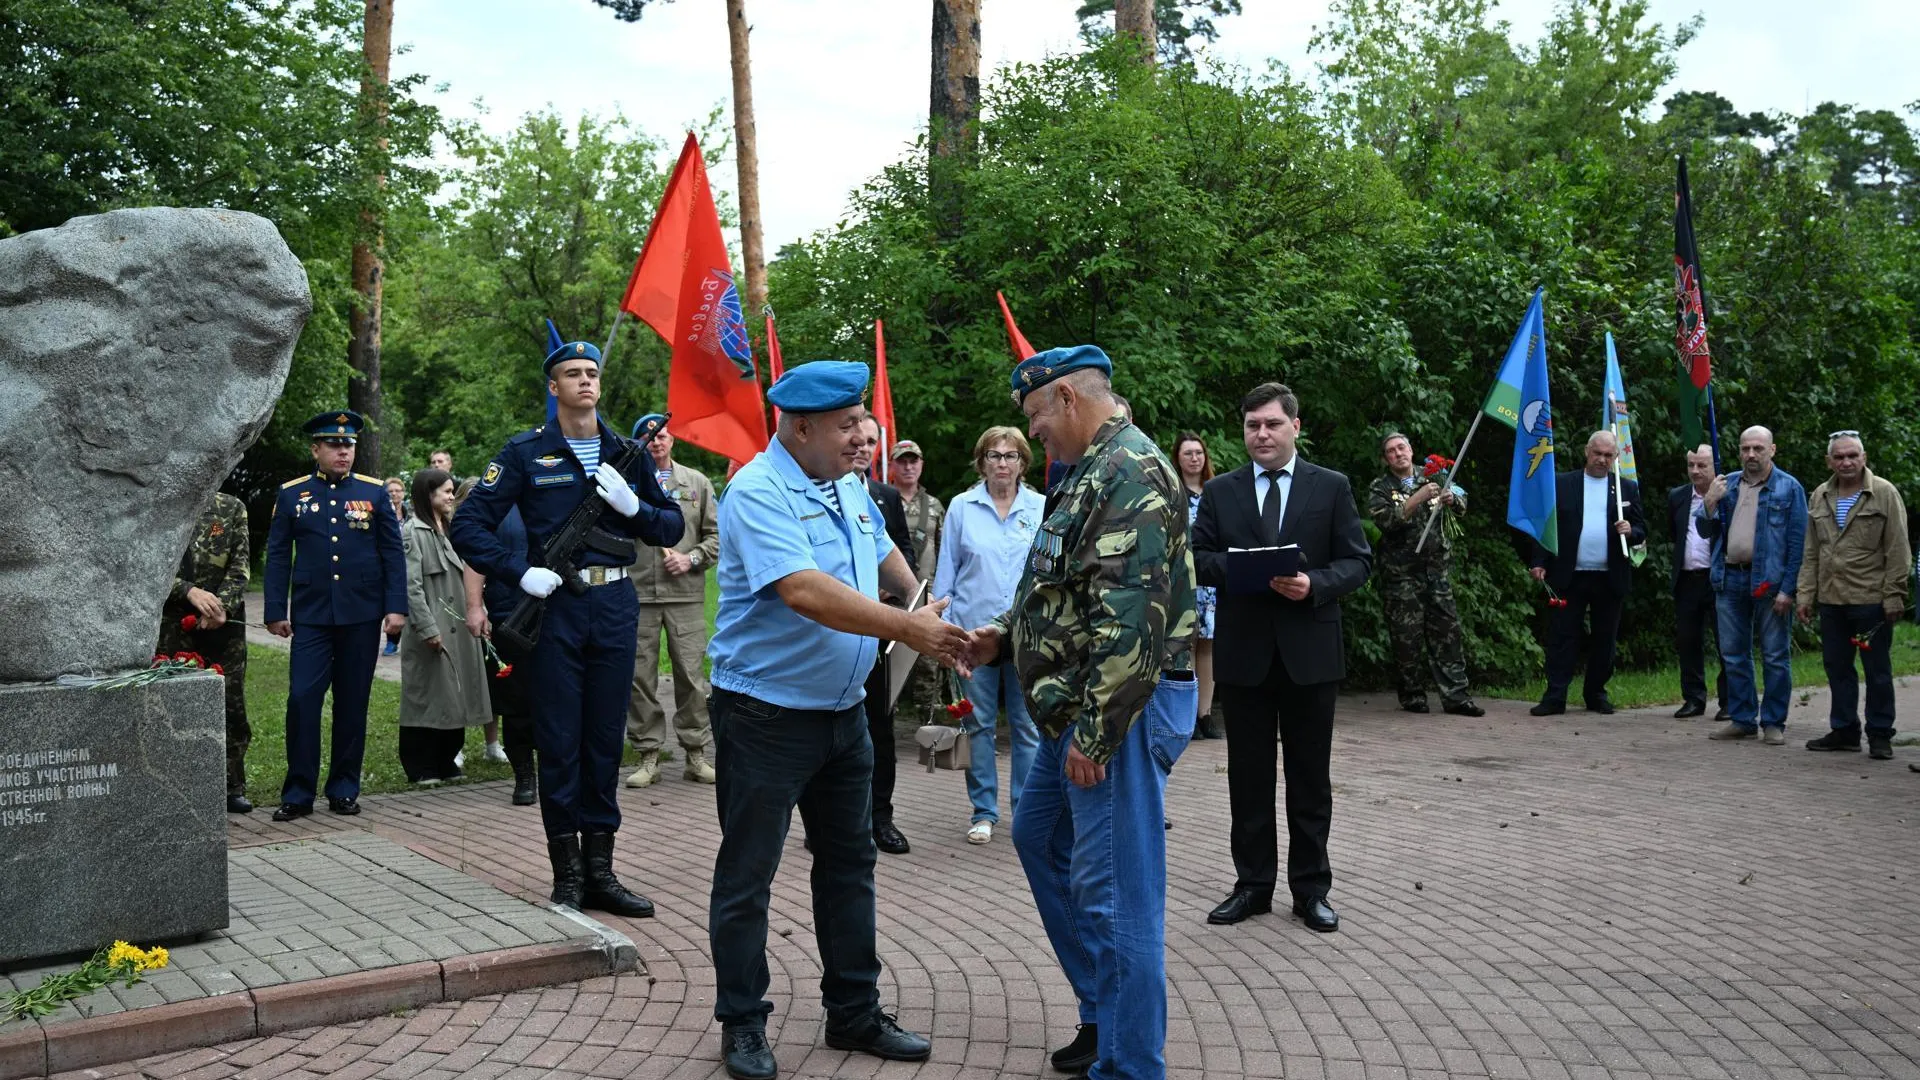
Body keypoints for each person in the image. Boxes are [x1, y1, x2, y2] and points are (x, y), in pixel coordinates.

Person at [704, 360, 966, 1080]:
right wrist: (905, 630)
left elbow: (877, 550)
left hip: (842, 715)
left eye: (863, 421)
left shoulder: (845, 484)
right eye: (849, 425)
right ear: (800, 426)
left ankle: (853, 1012)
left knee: (850, 866)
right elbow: (805, 591)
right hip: (766, 716)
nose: (865, 436)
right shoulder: (758, 491)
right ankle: (743, 1022)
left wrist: (917, 600)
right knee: (748, 873)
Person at [961, 346, 1198, 1080]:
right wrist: (1003, 634)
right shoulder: (1090, 469)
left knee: (1117, 893)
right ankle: (1105, 1008)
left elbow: (1133, 621)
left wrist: (1095, 733)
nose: (1033, 437)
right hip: (1083, 709)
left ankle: (1131, 1064)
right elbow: (1057, 583)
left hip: (1116, 714)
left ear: (1066, 397)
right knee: (1037, 837)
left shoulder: (1128, 471)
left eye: (1035, 420)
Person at [449, 340, 684, 919]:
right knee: (559, 740)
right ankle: (568, 874)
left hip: (614, 604)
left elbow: (672, 527)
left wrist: (635, 509)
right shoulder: (526, 453)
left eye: (591, 372)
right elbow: (469, 523)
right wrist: (517, 571)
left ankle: (602, 871)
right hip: (555, 609)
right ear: (553, 387)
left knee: (605, 738)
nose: (585, 381)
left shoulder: (626, 452)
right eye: (572, 374)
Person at [1193, 382, 1371, 935]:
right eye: (1252, 425)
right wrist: (1243, 569)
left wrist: (1313, 583)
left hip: (1310, 654)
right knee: (1247, 778)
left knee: (1309, 779)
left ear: (1295, 425)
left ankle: (1311, 890)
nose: (1261, 434)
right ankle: (1252, 886)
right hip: (1245, 654)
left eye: (1271, 424)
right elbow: (1196, 558)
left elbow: (1358, 562)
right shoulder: (1221, 492)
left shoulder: (1332, 487)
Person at [263, 410, 408, 821]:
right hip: (311, 617)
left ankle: (344, 787)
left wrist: (396, 607)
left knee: (352, 704)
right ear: (316, 449)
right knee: (302, 701)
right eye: (334, 444)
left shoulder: (374, 493)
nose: (343, 451)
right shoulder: (292, 494)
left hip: (361, 615)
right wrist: (275, 609)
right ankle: (298, 792)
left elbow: (392, 555)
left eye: (349, 445)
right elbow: (277, 557)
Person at [933, 426, 1045, 845]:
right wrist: (941, 631)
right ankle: (983, 812)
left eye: (1011, 455)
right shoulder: (962, 506)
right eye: (994, 455)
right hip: (971, 634)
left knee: (1029, 726)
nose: (1002, 463)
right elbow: (947, 572)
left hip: (1027, 633)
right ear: (981, 462)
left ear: (1023, 462)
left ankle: (1027, 813)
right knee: (976, 726)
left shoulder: (1041, 507)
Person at [1797, 432, 1910, 759]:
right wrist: (1805, 595)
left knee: (1877, 670)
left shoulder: (1884, 493)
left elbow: (1898, 548)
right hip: (1832, 601)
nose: (1846, 462)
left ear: (1864, 457)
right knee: (1837, 668)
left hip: (1870, 600)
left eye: (1852, 456)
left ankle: (1879, 734)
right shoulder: (1820, 495)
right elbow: (1811, 552)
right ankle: (1844, 730)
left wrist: (1894, 595)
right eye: (1839, 457)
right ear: (1829, 461)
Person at [624, 423, 721, 788]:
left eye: (662, 435)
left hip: (684, 596)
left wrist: (691, 559)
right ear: (640, 443)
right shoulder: (628, 484)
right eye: (648, 437)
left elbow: (714, 538)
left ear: (672, 440)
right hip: (639, 595)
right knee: (640, 679)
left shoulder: (696, 483)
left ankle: (696, 755)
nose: (656, 441)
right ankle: (648, 755)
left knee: (692, 678)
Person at [1698, 425, 1807, 745]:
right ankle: (1743, 719)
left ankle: (1774, 722)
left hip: (1770, 584)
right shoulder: (1725, 484)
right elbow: (1704, 531)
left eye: (1758, 448)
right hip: (1729, 578)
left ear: (1772, 450)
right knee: (1733, 654)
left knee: (1774, 655)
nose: (1751, 454)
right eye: (1746, 448)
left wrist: (1789, 589)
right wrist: (1709, 502)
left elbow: (1798, 544)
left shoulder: (1789, 488)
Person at [1527, 431, 1645, 717]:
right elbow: (1546, 526)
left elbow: (1642, 530)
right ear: (1586, 452)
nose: (1602, 460)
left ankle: (1596, 694)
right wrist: (1539, 561)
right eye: (1598, 454)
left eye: (1608, 455)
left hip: (1609, 576)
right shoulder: (1562, 483)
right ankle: (1555, 697)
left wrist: (1632, 531)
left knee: (1605, 640)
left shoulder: (1626, 488)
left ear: (1616, 458)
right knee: (1562, 638)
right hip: (1570, 575)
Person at [1365, 432, 1484, 717]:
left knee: (1447, 634)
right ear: (1385, 459)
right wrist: (1416, 499)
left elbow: (1463, 503)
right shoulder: (1381, 487)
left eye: (1401, 447)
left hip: (1437, 572)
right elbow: (1384, 521)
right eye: (1391, 451)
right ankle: (1413, 696)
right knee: (1407, 638)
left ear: (1410, 449)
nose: (1398, 453)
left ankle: (1456, 697)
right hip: (1402, 576)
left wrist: (1452, 499)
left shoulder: (1435, 474)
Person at [156, 490, 253, 813]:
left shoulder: (230, 507)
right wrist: (188, 591)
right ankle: (174, 783)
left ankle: (231, 784)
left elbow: (240, 567)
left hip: (223, 627)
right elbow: (145, 566)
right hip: (172, 623)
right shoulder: (161, 504)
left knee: (231, 702)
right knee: (170, 705)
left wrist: (219, 606)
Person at [398, 469, 491, 783]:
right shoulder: (413, 531)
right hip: (432, 626)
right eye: (446, 491)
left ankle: (446, 759)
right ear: (428, 494)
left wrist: (482, 612)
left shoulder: (451, 528)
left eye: (453, 491)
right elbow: (410, 587)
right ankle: (420, 765)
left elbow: (470, 576)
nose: (452, 496)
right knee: (425, 696)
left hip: (458, 625)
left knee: (456, 694)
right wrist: (427, 628)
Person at [855, 414, 920, 855]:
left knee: (880, 725)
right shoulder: (814, 491)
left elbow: (903, 552)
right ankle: (831, 819)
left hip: (881, 629)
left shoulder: (885, 496)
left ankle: (882, 817)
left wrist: (895, 589)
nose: (861, 446)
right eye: (855, 437)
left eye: (870, 440)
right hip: (836, 627)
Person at [458, 483, 540, 806]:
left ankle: (553, 771)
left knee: (553, 696)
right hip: (508, 612)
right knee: (515, 698)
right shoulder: (495, 503)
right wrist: (475, 606)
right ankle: (524, 775)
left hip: (553, 611)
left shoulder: (548, 498)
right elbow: (475, 557)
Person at [1670, 445, 1729, 720]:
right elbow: (1674, 533)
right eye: (1691, 465)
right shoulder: (1678, 496)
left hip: (1719, 579)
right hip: (1687, 579)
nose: (1695, 471)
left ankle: (1730, 701)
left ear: (1714, 466)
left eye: (1702, 465)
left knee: (1726, 642)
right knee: (1688, 641)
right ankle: (1694, 698)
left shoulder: (1729, 494)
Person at [1173, 433, 1225, 738]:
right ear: (1177, 458)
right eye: (1188, 453)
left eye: (1198, 452)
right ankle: (1188, 716)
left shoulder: (1215, 492)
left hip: (1211, 580)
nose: (1194, 458)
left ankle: (1206, 714)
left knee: (1209, 646)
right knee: (1186, 645)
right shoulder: (1172, 491)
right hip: (1183, 579)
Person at [891, 438, 947, 720]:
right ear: (892, 465)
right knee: (889, 664)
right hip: (888, 596)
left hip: (927, 593)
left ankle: (929, 724)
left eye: (913, 461)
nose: (908, 466)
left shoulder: (934, 506)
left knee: (929, 662)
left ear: (922, 465)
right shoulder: (883, 500)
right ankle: (889, 721)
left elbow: (943, 550)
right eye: (902, 461)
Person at [384, 476, 407, 656]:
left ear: (403, 493)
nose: (394, 494)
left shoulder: (411, 515)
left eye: (397, 490)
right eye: (390, 491)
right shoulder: (383, 513)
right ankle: (392, 641)